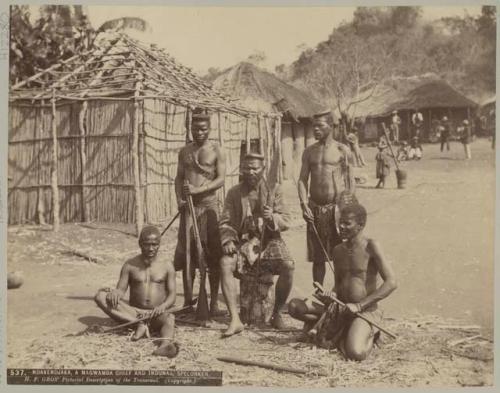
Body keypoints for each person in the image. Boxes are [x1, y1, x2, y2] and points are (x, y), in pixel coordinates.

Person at [288, 203, 397, 361]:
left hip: (364, 311)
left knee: (356, 353)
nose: (341, 227)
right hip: (340, 308)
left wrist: (360, 305)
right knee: (294, 307)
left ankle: (369, 333)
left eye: (347, 223)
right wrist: (331, 294)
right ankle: (344, 329)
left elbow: (392, 282)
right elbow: (339, 284)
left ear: (360, 225)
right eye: (340, 222)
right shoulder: (338, 250)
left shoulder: (371, 246)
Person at [219, 153, 294, 336]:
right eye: (246, 168)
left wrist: (272, 218)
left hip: (270, 242)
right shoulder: (234, 193)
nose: (250, 172)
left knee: (288, 265)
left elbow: (287, 220)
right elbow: (225, 222)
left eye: (255, 168)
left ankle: (276, 313)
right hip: (244, 243)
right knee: (225, 263)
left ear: (263, 169)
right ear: (241, 170)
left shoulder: (274, 190)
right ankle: (235, 319)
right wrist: (228, 239)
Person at [94, 226, 179, 358]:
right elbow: (121, 290)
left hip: (157, 313)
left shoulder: (167, 265)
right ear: (140, 244)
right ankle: (139, 324)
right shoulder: (129, 265)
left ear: (159, 244)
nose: (151, 249)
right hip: (133, 313)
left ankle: (165, 345)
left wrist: (162, 306)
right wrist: (115, 293)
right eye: (146, 244)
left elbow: (172, 295)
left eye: (154, 245)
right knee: (100, 296)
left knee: (169, 318)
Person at [174, 110, 226, 317]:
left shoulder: (217, 150)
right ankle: (188, 302)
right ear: (190, 129)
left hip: (209, 207)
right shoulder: (184, 152)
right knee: (188, 255)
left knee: (213, 256)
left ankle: (213, 302)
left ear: (209, 129)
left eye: (203, 128)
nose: (199, 132)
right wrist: (179, 199)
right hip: (188, 209)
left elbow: (221, 179)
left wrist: (199, 190)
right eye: (196, 128)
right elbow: (178, 178)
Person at [298, 111, 355, 286]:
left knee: (340, 254)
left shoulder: (342, 150)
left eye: (320, 125)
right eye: (314, 126)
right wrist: (303, 204)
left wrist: (345, 207)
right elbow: (302, 180)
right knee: (318, 257)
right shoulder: (309, 152)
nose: (315, 129)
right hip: (314, 208)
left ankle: (340, 292)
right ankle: (319, 294)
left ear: (331, 126)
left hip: (336, 209)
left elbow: (350, 181)